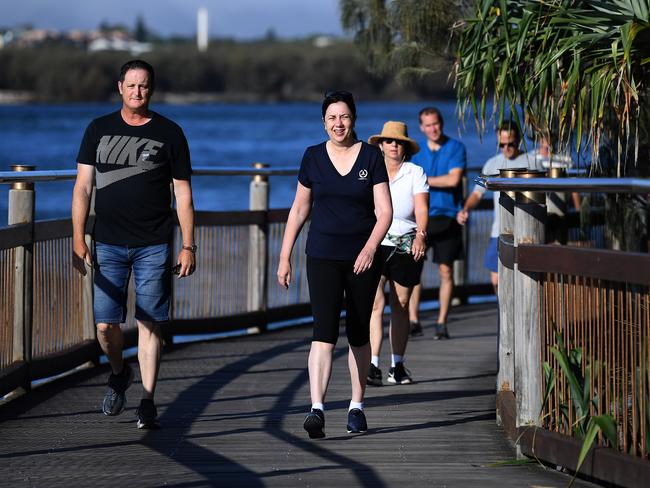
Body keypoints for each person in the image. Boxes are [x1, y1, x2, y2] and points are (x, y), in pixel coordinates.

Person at [72, 59, 196, 429]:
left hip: (154, 244)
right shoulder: (98, 129)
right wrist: (78, 236)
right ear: (120, 87)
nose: (137, 92)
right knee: (105, 327)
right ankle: (118, 371)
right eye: (131, 85)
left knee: (149, 324)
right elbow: (82, 187)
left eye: (144, 86)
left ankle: (147, 400)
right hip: (107, 242)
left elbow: (184, 196)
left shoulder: (171, 133)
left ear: (151, 90)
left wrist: (189, 245)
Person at [277, 90, 392, 438]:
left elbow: (384, 211)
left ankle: (356, 406)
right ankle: (317, 409)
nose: (338, 124)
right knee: (322, 332)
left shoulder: (371, 156)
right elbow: (299, 209)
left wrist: (371, 249)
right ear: (324, 122)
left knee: (358, 333)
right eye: (331, 118)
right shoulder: (312, 157)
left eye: (343, 117)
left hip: (362, 258)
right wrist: (284, 256)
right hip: (322, 255)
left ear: (353, 119)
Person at [366, 121, 428, 386]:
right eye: (389, 141)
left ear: (405, 148)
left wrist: (421, 235)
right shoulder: (369, 170)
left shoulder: (415, 172)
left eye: (399, 142)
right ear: (381, 145)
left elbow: (422, 208)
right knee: (375, 303)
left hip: (405, 242)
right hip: (374, 242)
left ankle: (397, 364)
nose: (393, 145)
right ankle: (372, 364)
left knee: (401, 305)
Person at [456, 122, 544, 291]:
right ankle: (502, 313)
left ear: (518, 141)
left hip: (527, 229)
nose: (506, 148)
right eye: (501, 145)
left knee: (525, 279)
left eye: (510, 144)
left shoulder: (533, 163)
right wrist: (465, 209)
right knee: (496, 280)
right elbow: (477, 192)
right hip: (500, 230)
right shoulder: (490, 164)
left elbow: (543, 194)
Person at [409, 107, 467, 340]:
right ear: (421, 128)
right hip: (420, 218)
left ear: (441, 123)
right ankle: (413, 319)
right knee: (414, 272)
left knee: (446, 271)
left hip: (447, 217)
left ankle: (442, 322)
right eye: (428, 125)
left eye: (436, 124)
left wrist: (422, 181)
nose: (433, 129)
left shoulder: (456, 148)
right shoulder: (416, 152)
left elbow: (454, 179)